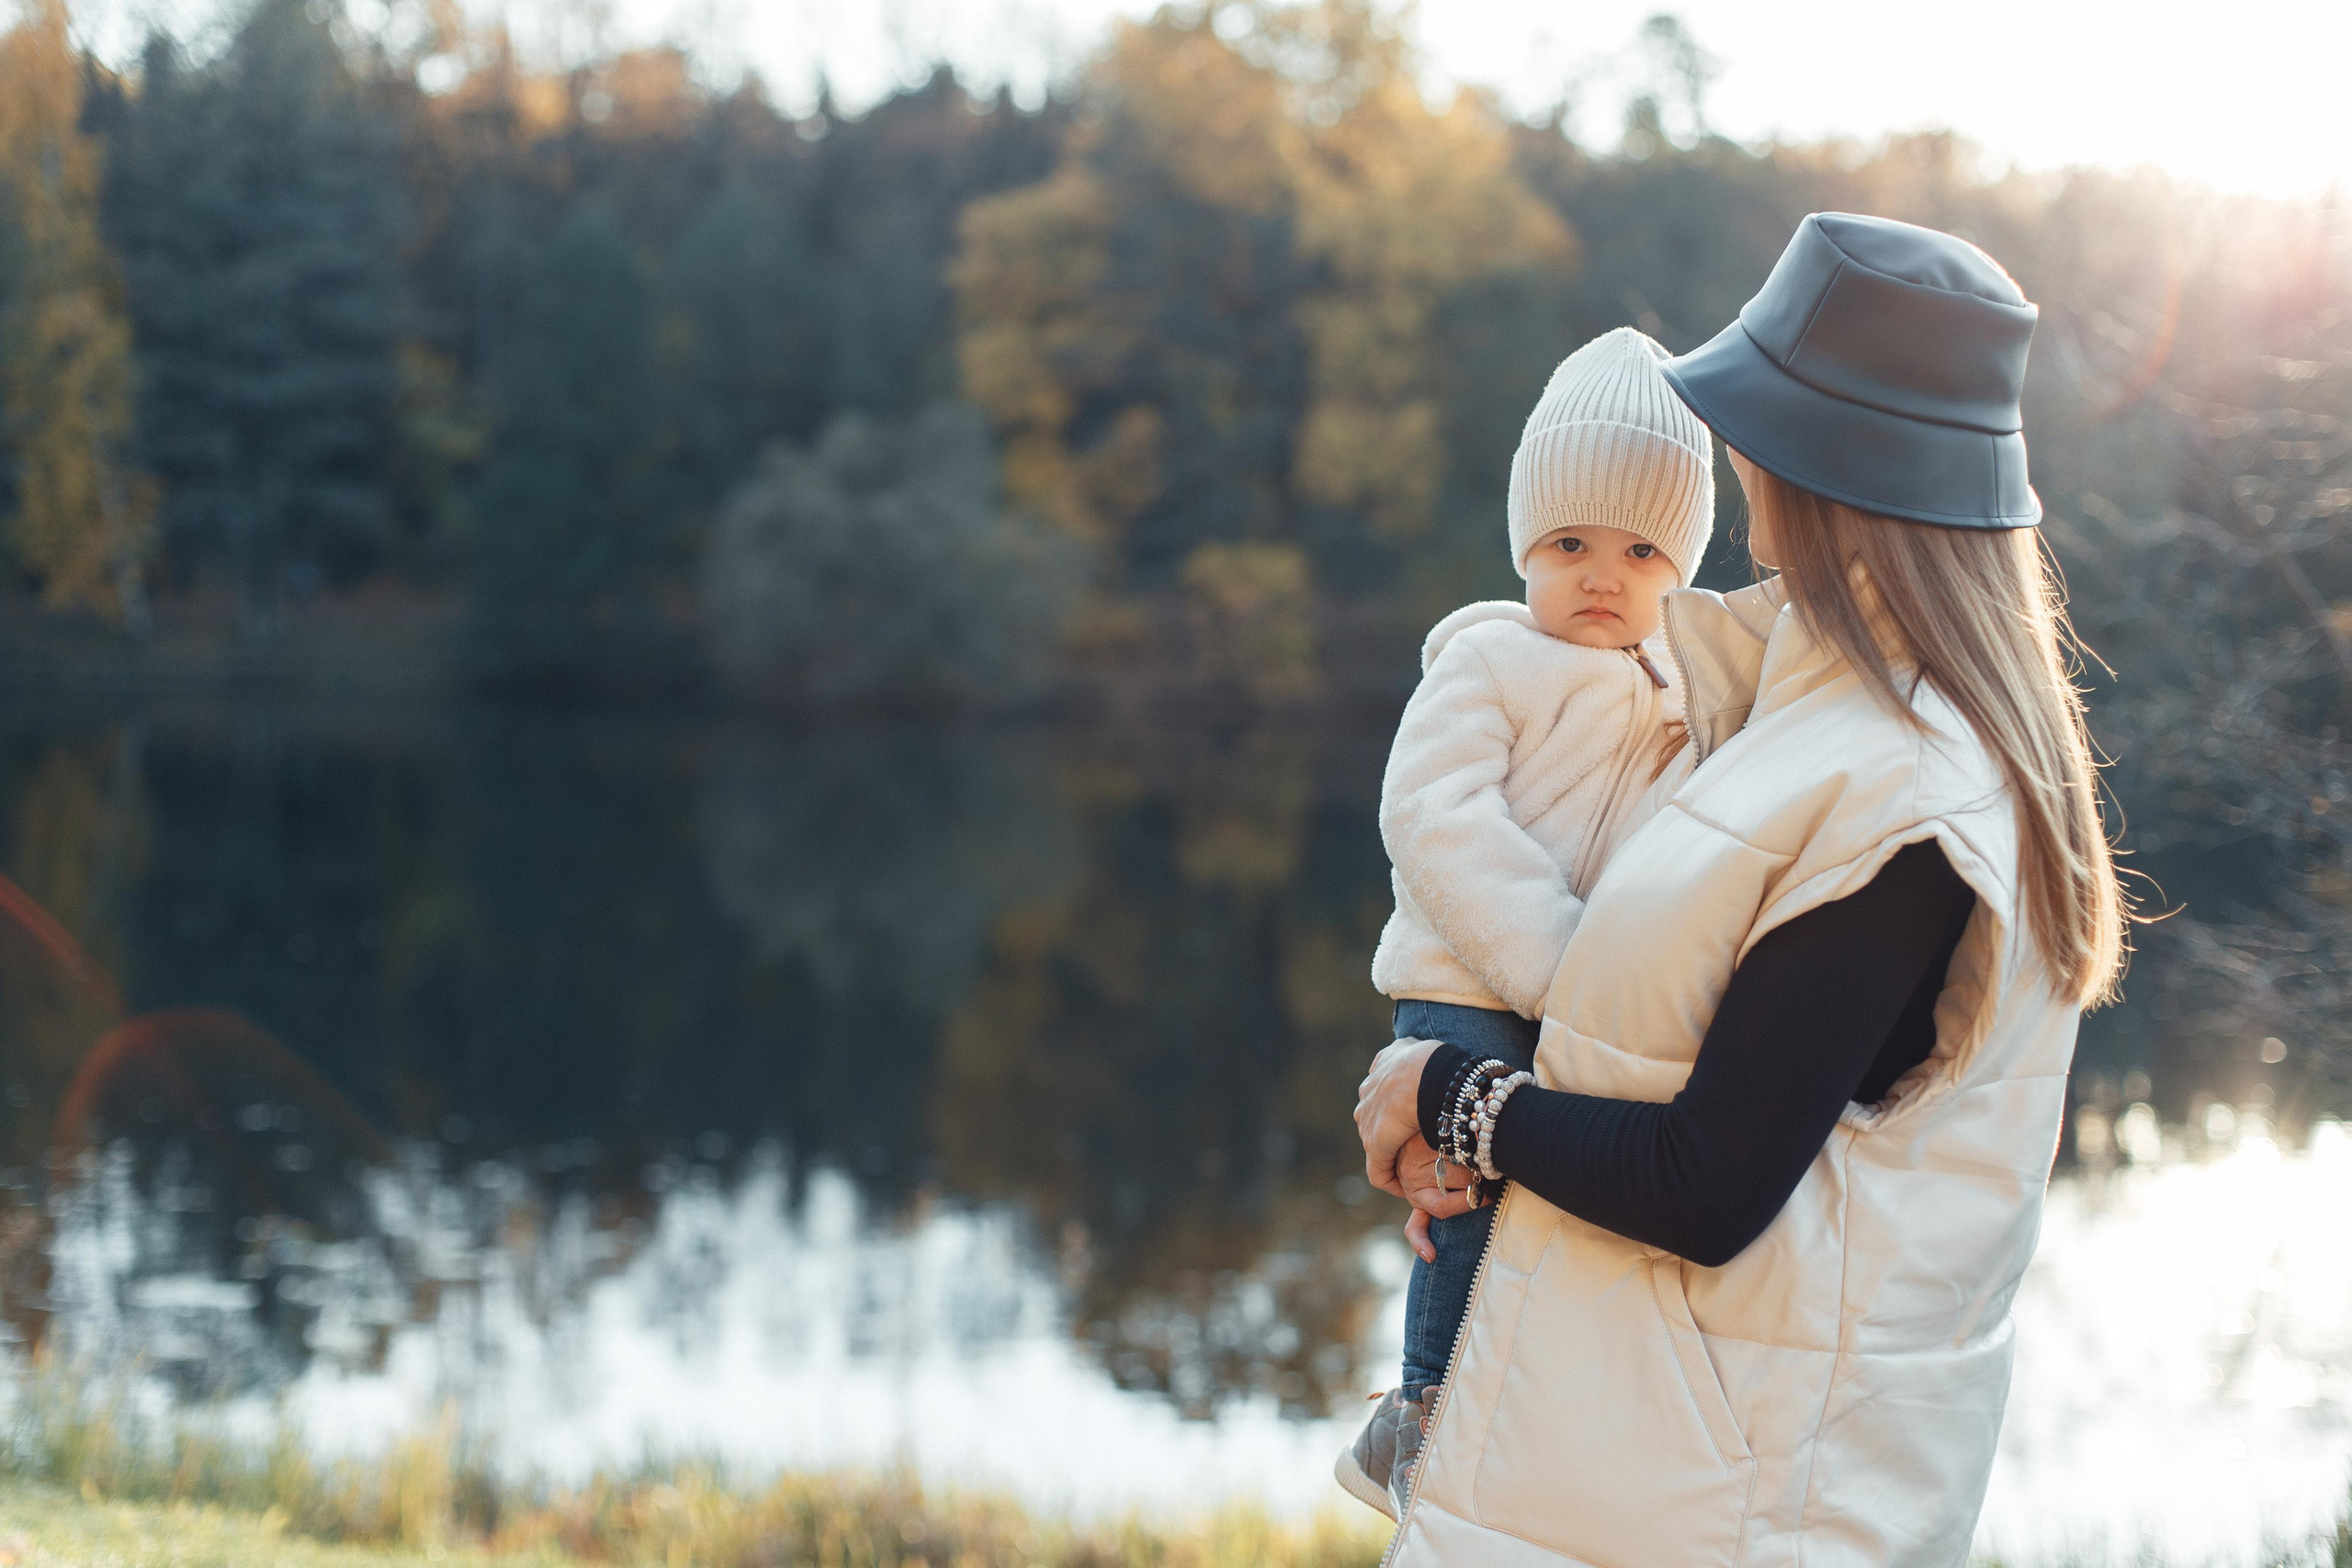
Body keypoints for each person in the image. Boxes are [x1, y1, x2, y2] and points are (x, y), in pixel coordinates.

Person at [1352, 212, 2132, 1567]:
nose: (1736, 459)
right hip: (1618, 1470)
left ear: (1827, 470)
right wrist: (1484, 1132)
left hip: (1722, 1514)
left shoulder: (1901, 786)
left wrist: (1455, 1100)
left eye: (1753, 427)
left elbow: (1710, 1181)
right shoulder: (1797, 711)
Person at [1335, 326, 1713, 1521]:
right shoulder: (1490, 661)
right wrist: (1561, 961)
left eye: (1641, 549)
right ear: (1524, 548)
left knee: (1547, 1196)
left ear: (1681, 570)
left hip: (1573, 993)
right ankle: (1427, 1410)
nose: (1602, 575)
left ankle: (1495, 1410)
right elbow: (1434, 810)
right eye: (1569, 544)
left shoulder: (1684, 694)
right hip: (1469, 981)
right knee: (1468, 1183)